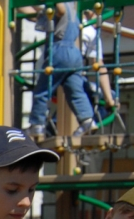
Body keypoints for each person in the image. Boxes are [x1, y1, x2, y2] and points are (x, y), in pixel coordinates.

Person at [26, 2, 95, 137]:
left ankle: (37, 124)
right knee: (75, 90)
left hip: (60, 50)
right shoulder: (73, 9)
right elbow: (33, 15)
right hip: (75, 53)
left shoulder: (62, 7)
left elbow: (61, 10)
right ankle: (87, 120)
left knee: (42, 90)